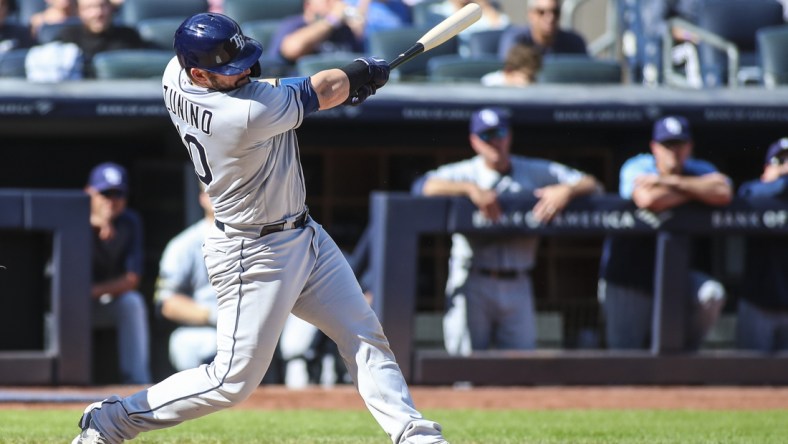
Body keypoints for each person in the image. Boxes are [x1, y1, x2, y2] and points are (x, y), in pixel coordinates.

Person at [72, 12, 449, 444]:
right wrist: (364, 72)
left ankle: (414, 433)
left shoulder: (174, 74)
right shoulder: (244, 114)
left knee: (362, 332)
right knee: (230, 381)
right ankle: (113, 419)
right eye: (229, 69)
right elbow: (323, 88)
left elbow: (298, 88)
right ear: (200, 73)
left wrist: (352, 82)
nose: (244, 72)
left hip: (304, 236)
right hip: (252, 253)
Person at [415, 107, 602, 355]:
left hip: (519, 280)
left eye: (500, 133)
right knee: (465, 366)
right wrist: (469, 189)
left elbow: (593, 184)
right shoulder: (465, 172)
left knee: (519, 368)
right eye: (486, 136)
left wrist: (567, 190)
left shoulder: (533, 170)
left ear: (509, 136)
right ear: (474, 141)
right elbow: (421, 186)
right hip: (473, 278)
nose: (495, 141)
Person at [598, 115, 730, 350]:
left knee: (711, 295)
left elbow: (723, 192)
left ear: (690, 146)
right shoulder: (637, 166)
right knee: (625, 358)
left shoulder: (699, 168)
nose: (674, 151)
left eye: (679, 144)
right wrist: (697, 192)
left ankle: (686, 356)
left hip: (677, 274)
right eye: (667, 145)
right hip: (628, 275)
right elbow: (649, 199)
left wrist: (673, 184)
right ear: (654, 147)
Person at [85, 161, 151, 385]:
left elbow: (132, 279)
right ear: (89, 193)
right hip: (65, 310)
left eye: (118, 194)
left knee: (131, 302)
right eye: (105, 193)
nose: (111, 201)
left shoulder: (129, 222)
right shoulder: (72, 217)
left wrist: (92, 291)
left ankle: (137, 383)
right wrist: (89, 225)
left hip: (99, 303)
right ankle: (57, 383)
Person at [153, 184, 218, 372]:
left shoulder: (258, 239)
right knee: (185, 343)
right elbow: (166, 303)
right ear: (202, 198)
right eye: (214, 191)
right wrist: (217, 316)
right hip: (208, 327)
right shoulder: (184, 244)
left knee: (295, 341)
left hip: (256, 325)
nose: (221, 197)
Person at [736, 137, 788, 352]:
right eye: (780, 161)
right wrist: (780, 180)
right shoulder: (752, 191)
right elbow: (746, 195)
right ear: (766, 168)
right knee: (750, 380)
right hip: (758, 302)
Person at [54, 0, 147, 78]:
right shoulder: (67, 37)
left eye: (102, 6)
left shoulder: (129, 36)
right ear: (79, 12)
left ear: (111, 8)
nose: (98, 13)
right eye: (89, 8)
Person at [266, 0, 366, 66]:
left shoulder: (343, 30)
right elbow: (293, 49)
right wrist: (332, 19)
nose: (335, 3)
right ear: (308, 4)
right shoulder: (294, 24)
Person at [497, 0, 587, 60]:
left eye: (555, 12)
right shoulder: (517, 40)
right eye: (541, 12)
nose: (550, 18)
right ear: (530, 14)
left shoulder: (574, 42)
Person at [427, 0, 510, 57]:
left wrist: (485, 6)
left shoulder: (481, 12)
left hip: (481, 58)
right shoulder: (437, 11)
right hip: (456, 56)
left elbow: (501, 29)